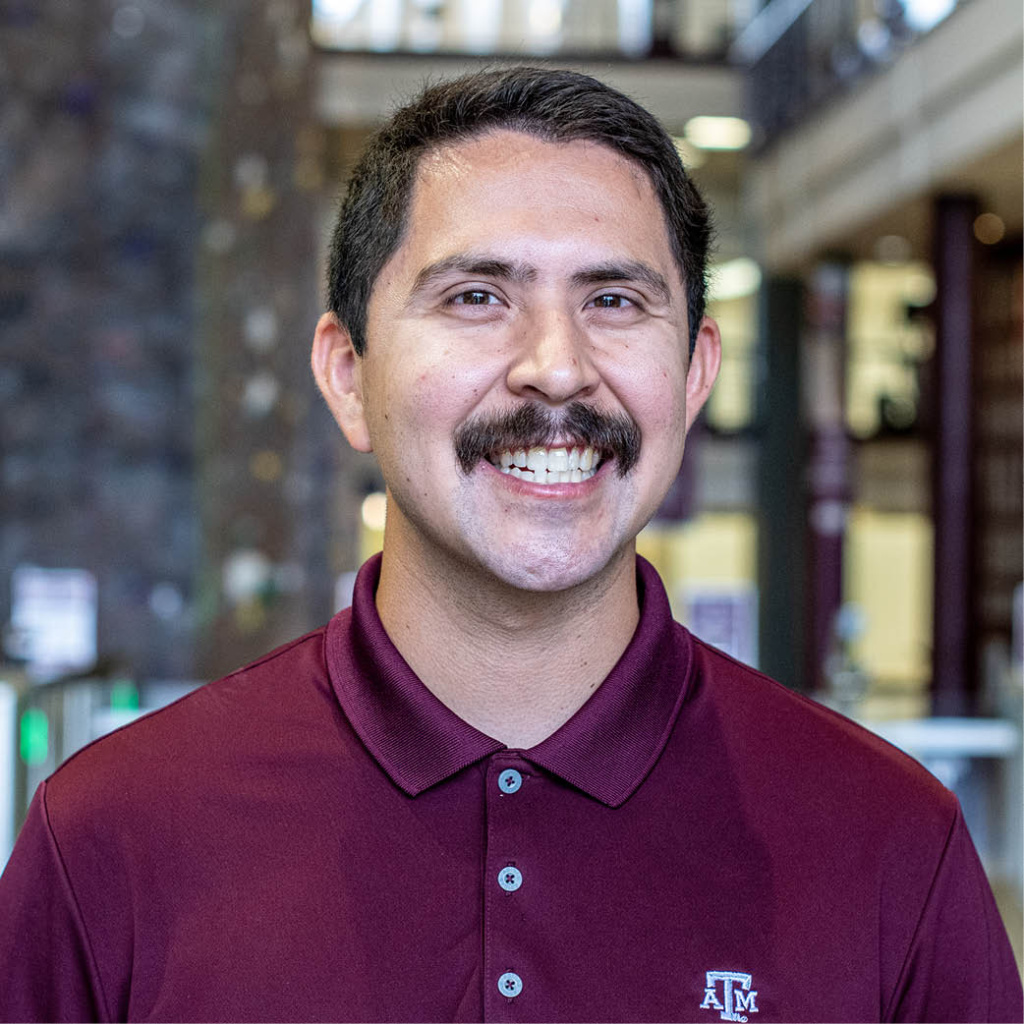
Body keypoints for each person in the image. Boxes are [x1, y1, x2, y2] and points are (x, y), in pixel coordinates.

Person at [0, 66, 1020, 1024]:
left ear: (696, 374)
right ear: (348, 374)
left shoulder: (888, 841)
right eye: (477, 296)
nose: (556, 368)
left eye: (613, 301)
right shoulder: (113, 835)